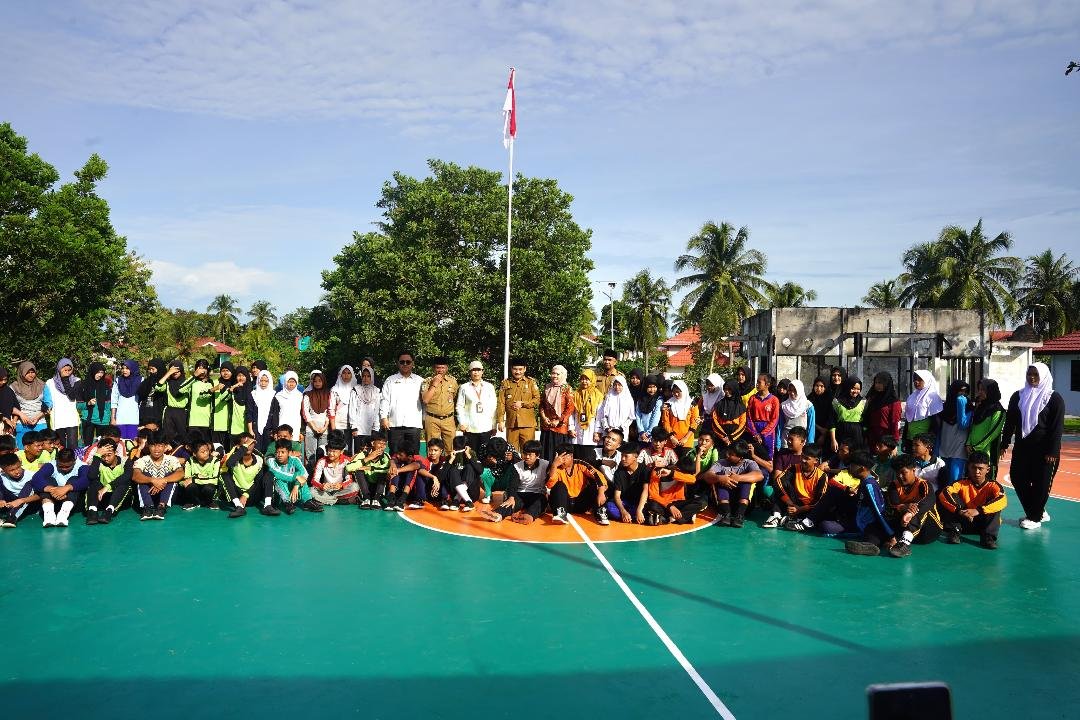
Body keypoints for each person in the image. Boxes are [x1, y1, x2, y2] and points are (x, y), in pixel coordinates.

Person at [1000, 363, 1064, 530]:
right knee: (1017, 477)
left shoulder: (1054, 398)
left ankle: (1034, 518)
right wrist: (1004, 443)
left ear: (1043, 376)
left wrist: (1053, 451)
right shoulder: (1018, 396)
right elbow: (1010, 422)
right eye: (1029, 374)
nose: (1032, 377)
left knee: (1040, 484)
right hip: (1022, 447)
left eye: (1036, 374)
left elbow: (1057, 427)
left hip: (1045, 450)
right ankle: (1038, 511)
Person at [844, 453, 943, 558]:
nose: (900, 476)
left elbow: (929, 501)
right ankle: (871, 544)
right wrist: (904, 507)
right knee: (879, 524)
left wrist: (910, 512)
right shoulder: (894, 486)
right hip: (905, 526)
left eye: (903, 472)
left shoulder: (924, 484)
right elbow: (894, 504)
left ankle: (904, 544)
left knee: (920, 510)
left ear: (913, 470)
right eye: (897, 473)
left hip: (929, 530)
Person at [938, 450, 1007, 549]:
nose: (977, 472)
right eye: (974, 468)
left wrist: (978, 510)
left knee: (995, 504)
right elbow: (944, 494)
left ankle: (988, 538)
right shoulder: (960, 483)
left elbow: (1002, 500)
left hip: (983, 524)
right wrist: (959, 511)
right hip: (964, 521)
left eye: (980, 468)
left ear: (987, 469)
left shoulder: (993, 485)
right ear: (968, 467)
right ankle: (954, 531)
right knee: (949, 496)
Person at [478, 439, 549, 524]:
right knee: (509, 503)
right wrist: (511, 497)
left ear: (537, 455)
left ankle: (528, 516)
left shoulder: (546, 464)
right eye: (525, 453)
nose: (527, 457)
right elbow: (513, 484)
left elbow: (552, 476)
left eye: (530, 455)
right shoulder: (517, 466)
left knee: (539, 503)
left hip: (538, 494)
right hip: (521, 493)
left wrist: (555, 465)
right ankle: (497, 514)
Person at [698, 440, 764, 528]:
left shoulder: (749, 463)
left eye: (731, 454)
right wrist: (720, 478)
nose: (727, 455)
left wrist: (738, 478)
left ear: (740, 457)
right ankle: (726, 514)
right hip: (721, 505)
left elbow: (759, 475)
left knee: (747, 482)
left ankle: (740, 515)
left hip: (744, 506)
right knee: (718, 477)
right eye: (728, 452)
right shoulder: (720, 463)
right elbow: (707, 475)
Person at [762, 444, 828, 529]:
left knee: (820, 507)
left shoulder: (822, 476)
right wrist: (789, 502)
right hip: (793, 502)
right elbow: (778, 482)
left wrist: (800, 509)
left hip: (809, 507)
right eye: (802, 456)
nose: (803, 460)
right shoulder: (794, 468)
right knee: (778, 487)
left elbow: (819, 499)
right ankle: (776, 516)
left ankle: (798, 519)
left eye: (807, 458)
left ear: (816, 460)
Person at [546, 443, 609, 525]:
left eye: (564, 458)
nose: (561, 461)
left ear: (571, 456)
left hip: (580, 503)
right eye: (559, 459)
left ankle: (600, 512)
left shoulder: (581, 464)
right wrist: (554, 465)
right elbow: (550, 485)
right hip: (564, 503)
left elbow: (599, 476)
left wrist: (601, 493)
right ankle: (560, 514)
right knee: (559, 485)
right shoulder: (555, 468)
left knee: (597, 486)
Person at [220, 433, 279, 518]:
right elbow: (229, 463)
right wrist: (243, 448)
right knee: (224, 475)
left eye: (250, 443)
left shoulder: (259, 459)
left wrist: (246, 495)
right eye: (245, 444)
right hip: (237, 496)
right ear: (239, 447)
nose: (248, 446)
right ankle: (238, 507)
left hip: (253, 495)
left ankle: (267, 506)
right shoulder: (234, 458)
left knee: (269, 474)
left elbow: (258, 481)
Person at [640, 452, 706, 526]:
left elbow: (692, 479)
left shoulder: (678, 474)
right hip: (663, 504)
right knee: (652, 506)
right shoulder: (657, 472)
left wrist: (671, 473)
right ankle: (685, 516)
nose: (684, 475)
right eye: (684, 473)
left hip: (678, 503)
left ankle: (669, 518)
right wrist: (670, 506)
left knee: (703, 501)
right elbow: (653, 495)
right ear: (677, 468)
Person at [380, 351, 425, 456]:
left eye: (408, 362)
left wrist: (424, 419)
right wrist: (384, 417)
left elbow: (425, 403)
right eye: (402, 362)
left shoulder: (420, 381)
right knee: (395, 455)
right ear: (398, 363)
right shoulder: (390, 380)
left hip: (414, 424)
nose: (405, 364)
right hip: (395, 424)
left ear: (413, 363)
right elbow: (384, 400)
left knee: (413, 455)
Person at [131, 434, 184, 520]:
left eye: (160, 446)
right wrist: (152, 480)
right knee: (144, 475)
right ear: (148, 446)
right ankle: (148, 508)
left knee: (170, 474)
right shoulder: (142, 460)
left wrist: (162, 480)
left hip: (165, 494)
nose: (156, 449)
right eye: (153, 446)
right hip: (149, 493)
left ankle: (161, 507)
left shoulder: (172, 459)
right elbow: (135, 476)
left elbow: (180, 473)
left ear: (165, 447)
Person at [266, 438, 322, 514]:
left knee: (301, 477)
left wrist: (296, 485)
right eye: (277, 452)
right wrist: (295, 477)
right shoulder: (271, 461)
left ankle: (307, 501)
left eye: (283, 452)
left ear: (289, 453)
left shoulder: (295, 460)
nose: (279, 455)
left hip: (293, 490)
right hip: (279, 496)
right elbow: (277, 473)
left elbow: (304, 473)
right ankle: (287, 503)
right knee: (278, 479)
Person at [84, 437, 132, 524]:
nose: (106, 459)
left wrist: (108, 486)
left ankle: (109, 511)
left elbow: (127, 476)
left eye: (109, 455)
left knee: (124, 483)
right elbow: (91, 476)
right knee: (94, 482)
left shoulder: (125, 461)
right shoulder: (97, 461)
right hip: (101, 497)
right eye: (103, 456)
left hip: (118, 498)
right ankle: (92, 511)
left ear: (116, 452)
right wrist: (97, 456)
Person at [496, 359, 540, 452]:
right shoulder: (505, 383)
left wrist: (523, 403)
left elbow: (537, 400)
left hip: (527, 424)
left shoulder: (531, 382)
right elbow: (501, 403)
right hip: (512, 424)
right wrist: (500, 420)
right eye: (515, 369)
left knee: (529, 452)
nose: (518, 372)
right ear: (511, 369)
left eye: (520, 369)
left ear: (525, 369)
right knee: (511, 452)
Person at [456, 360, 497, 458]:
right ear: (470, 372)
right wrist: (462, 423)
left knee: (485, 455)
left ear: (482, 372)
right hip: (470, 427)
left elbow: (494, 407)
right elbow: (459, 406)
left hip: (486, 426)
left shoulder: (489, 387)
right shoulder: (464, 387)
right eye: (473, 370)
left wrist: (494, 425)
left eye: (478, 370)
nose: (476, 372)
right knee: (471, 455)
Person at [967, 378, 1006, 481]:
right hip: (973, 451)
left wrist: (977, 447)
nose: (980, 392)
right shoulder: (980, 407)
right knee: (971, 482)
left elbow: (993, 432)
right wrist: (968, 443)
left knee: (987, 483)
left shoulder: (998, 410)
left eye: (983, 390)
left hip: (988, 453)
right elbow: (973, 427)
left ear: (991, 391)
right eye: (979, 389)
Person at [937, 380, 972, 486]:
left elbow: (962, 424)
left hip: (959, 448)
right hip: (945, 447)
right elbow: (939, 429)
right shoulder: (945, 408)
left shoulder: (968, 407)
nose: (963, 394)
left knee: (955, 479)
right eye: (960, 391)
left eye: (965, 392)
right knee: (944, 479)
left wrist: (962, 405)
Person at [421, 357, 459, 453]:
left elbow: (454, 397)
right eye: (438, 367)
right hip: (432, 419)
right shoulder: (427, 382)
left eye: (443, 368)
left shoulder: (453, 381)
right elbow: (425, 400)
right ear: (433, 368)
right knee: (432, 449)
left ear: (447, 368)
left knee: (451, 449)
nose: (440, 370)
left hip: (448, 419)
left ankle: (449, 463)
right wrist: (434, 384)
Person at [605, 443, 650, 524]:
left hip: (639, 503)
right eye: (622, 455)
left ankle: (634, 515)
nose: (623, 459)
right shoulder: (619, 472)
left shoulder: (644, 470)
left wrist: (639, 510)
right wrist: (623, 511)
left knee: (649, 508)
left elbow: (645, 491)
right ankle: (631, 516)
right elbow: (617, 496)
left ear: (635, 456)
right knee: (610, 507)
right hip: (625, 502)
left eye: (626, 456)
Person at [309, 434, 360, 505]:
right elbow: (314, 480)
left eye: (334, 451)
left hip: (340, 490)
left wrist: (341, 485)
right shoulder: (321, 461)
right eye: (329, 451)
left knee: (355, 487)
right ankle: (338, 501)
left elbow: (349, 479)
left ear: (341, 451)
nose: (331, 454)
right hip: (325, 490)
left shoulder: (346, 461)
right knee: (310, 491)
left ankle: (326, 500)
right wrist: (322, 486)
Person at [345, 431, 390, 508]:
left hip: (378, 487)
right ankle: (366, 498)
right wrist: (368, 458)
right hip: (365, 487)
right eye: (380, 443)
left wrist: (370, 468)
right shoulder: (363, 454)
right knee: (359, 471)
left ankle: (377, 499)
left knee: (383, 472)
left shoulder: (385, 456)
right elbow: (348, 467)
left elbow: (386, 468)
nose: (382, 446)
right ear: (373, 443)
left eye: (384, 444)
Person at [539, 365, 574, 461]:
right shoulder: (547, 387)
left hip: (560, 427)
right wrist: (544, 418)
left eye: (557, 374)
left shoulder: (567, 388)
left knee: (558, 455)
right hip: (547, 426)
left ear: (563, 375)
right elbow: (541, 405)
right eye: (553, 373)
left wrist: (559, 420)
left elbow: (570, 408)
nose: (554, 376)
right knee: (545, 455)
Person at [10, 361, 48, 448]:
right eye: (28, 373)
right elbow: (9, 405)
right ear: (22, 373)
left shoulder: (42, 385)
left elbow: (48, 404)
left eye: (32, 372)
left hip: (39, 422)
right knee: (22, 449)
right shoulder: (14, 387)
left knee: (41, 449)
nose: (31, 375)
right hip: (22, 423)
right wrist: (21, 414)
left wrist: (37, 417)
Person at [176, 439, 222, 510]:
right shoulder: (189, 461)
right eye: (202, 452)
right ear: (194, 454)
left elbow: (215, 480)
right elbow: (187, 479)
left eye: (207, 450)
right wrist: (200, 477)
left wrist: (195, 479)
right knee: (190, 486)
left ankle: (209, 502)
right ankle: (193, 502)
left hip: (208, 486)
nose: (206, 453)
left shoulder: (215, 461)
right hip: (196, 488)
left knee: (209, 488)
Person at [903, 370, 943, 452]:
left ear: (927, 380)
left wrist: (929, 439)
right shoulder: (912, 396)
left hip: (924, 440)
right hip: (910, 438)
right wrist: (904, 438)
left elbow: (936, 421)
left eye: (920, 379)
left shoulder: (932, 397)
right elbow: (908, 418)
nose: (916, 382)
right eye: (915, 379)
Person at [570, 369, 604, 460]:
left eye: (587, 379)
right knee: (578, 458)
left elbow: (600, 415)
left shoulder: (598, 395)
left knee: (590, 459)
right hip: (578, 430)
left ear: (592, 380)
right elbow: (571, 413)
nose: (584, 381)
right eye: (582, 379)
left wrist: (597, 432)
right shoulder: (576, 394)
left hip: (591, 431)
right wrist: (571, 428)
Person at [862, 372, 902, 449]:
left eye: (880, 383)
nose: (877, 385)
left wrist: (894, 441)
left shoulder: (893, 402)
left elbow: (895, 422)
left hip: (885, 438)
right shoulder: (872, 398)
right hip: (871, 436)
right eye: (876, 383)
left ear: (887, 384)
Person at [48, 358, 81, 450]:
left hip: (71, 419)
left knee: (73, 447)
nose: (67, 371)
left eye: (69, 369)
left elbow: (72, 396)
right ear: (59, 368)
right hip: (57, 418)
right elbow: (47, 399)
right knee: (59, 447)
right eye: (64, 369)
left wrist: (65, 379)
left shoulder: (76, 381)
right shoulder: (50, 383)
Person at [158, 360, 193, 446]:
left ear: (181, 370)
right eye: (172, 370)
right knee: (168, 436)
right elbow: (158, 387)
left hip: (182, 412)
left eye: (177, 370)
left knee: (183, 436)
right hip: (169, 412)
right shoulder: (167, 383)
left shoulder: (186, 383)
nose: (175, 372)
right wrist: (168, 373)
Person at [745, 373, 780, 460]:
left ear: (767, 385)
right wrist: (755, 434)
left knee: (768, 457)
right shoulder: (753, 398)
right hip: (754, 430)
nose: (757, 384)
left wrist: (763, 434)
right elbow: (749, 417)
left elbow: (774, 419)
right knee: (753, 455)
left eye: (759, 382)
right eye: (757, 382)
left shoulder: (774, 400)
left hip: (768, 432)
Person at [77, 362, 112, 445]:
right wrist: (88, 403)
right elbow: (78, 405)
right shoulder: (83, 386)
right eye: (98, 372)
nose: (100, 375)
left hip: (103, 421)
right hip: (88, 420)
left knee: (102, 445)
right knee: (87, 445)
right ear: (93, 371)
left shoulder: (106, 387)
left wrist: (108, 419)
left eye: (102, 372)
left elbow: (108, 406)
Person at [0, 451, 39, 527]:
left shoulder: (32, 475)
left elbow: (41, 495)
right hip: (9, 504)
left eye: (18, 467)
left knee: (29, 484)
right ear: (3, 470)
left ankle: (12, 517)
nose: (17, 472)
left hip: (29, 504)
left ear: (20, 463)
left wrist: (22, 500)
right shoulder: (2, 476)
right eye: (12, 470)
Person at [350, 366, 382, 452]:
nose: (365, 378)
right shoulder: (355, 390)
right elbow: (352, 409)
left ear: (372, 377)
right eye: (363, 376)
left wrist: (376, 427)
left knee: (371, 453)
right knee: (358, 454)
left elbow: (377, 410)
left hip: (371, 429)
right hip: (359, 429)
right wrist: (354, 427)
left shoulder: (377, 391)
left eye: (368, 376)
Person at [302, 370, 332, 465]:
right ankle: (311, 473)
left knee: (323, 454)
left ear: (323, 381)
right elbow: (305, 412)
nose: (317, 383)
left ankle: (320, 473)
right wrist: (314, 427)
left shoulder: (328, 394)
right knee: (311, 455)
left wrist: (325, 427)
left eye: (320, 381)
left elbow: (330, 411)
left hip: (324, 429)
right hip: (311, 429)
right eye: (315, 381)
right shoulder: (308, 395)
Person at [829, 376, 865, 453]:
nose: (855, 391)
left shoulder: (863, 402)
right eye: (853, 388)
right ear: (847, 387)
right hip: (841, 432)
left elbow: (866, 421)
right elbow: (832, 422)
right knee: (841, 454)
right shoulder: (837, 402)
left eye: (858, 389)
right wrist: (833, 440)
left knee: (856, 455)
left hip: (857, 434)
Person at [660, 379, 699, 449]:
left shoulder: (692, 404)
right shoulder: (668, 404)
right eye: (674, 392)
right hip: (671, 442)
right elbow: (665, 422)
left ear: (683, 390)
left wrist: (686, 438)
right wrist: (672, 437)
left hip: (687, 442)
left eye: (678, 392)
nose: (676, 394)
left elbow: (694, 422)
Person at [327, 365, 358, 453]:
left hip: (353, 425)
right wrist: (333, 427)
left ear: (352, 374)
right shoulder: (335, 389)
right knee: (338, 449)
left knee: (350, 451)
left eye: (348, 373)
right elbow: (331, 408)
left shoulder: (356, 389)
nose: (346, 375)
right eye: (343, 373)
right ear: (340, 374)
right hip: (338, 424)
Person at [709, 380, 747, 451]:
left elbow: (743, 424)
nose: (726, 391)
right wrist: (723, 436)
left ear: (734, 389)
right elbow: (714, 421)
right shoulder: (719, 404)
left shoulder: (741, 406)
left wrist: (732, 437)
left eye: (729, 389)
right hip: (721, 438)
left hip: (736, 438)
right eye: (725, 389)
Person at [269, 371, 304, 444]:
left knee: (294, 449)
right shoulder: (278, 396)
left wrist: (302, 432)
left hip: (296, 429)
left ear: (297, 382)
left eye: (293, 382)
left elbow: (302, 414)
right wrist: (275, 431)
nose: (291, 384)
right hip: (281, 429)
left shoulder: (300, 396)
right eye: (289, 381)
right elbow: (275, 414)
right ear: (285, 382)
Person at [111, 360, 142, 440]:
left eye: (127, 368)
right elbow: (114, 400)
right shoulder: (118, 380)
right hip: (120, 418)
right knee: (120, 442)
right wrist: (113, 418)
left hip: (134, 418)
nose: (124, 370)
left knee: (132, 443)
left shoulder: (141, 380)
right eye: (123, 368)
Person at [779, 379, 814, 447]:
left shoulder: (808, 406)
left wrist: (810, 443)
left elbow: (811, 426)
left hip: (801, 442)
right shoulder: (784, 406)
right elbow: (780, 426)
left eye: (795, 390)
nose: (792, 393)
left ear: (800, 390)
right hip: (786, 441)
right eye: (790, 390)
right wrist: (778, 442)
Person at [250, 369, 277, 451]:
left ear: (270, 382)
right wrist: (250, 429)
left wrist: (274, 431)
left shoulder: (274, 395)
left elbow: (275, 414)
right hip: (255, 428)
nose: (263, 383)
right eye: (261, 380)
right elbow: (250, 412)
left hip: (269, 429)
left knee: (268, 451)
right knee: (256, 451)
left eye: (266, 381)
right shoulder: (253, 394)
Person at [137, 358, 166, 433]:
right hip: (146, 414)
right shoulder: (146, 381)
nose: (151, 371)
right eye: (149, 369)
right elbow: (142, 395)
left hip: (159, 414)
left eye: (153, 369)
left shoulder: (165, 382)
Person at [808, 376, 833, 447]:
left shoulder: (830, 400)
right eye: (817, 386)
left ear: (826, 387)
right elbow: (807, 417)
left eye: (822, 386)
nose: (819, 389)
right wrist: (820, 429)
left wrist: (824, 434)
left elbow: (831, 417)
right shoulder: (809, 399)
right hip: (812, 430)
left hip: (828, 432)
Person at [0, 368, 17, 439]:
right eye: (0, 380)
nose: (3, 382)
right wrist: (5, 419)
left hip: (8, 428)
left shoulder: (8, 391)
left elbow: (16, 407)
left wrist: (13, 423)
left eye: (5, 379)